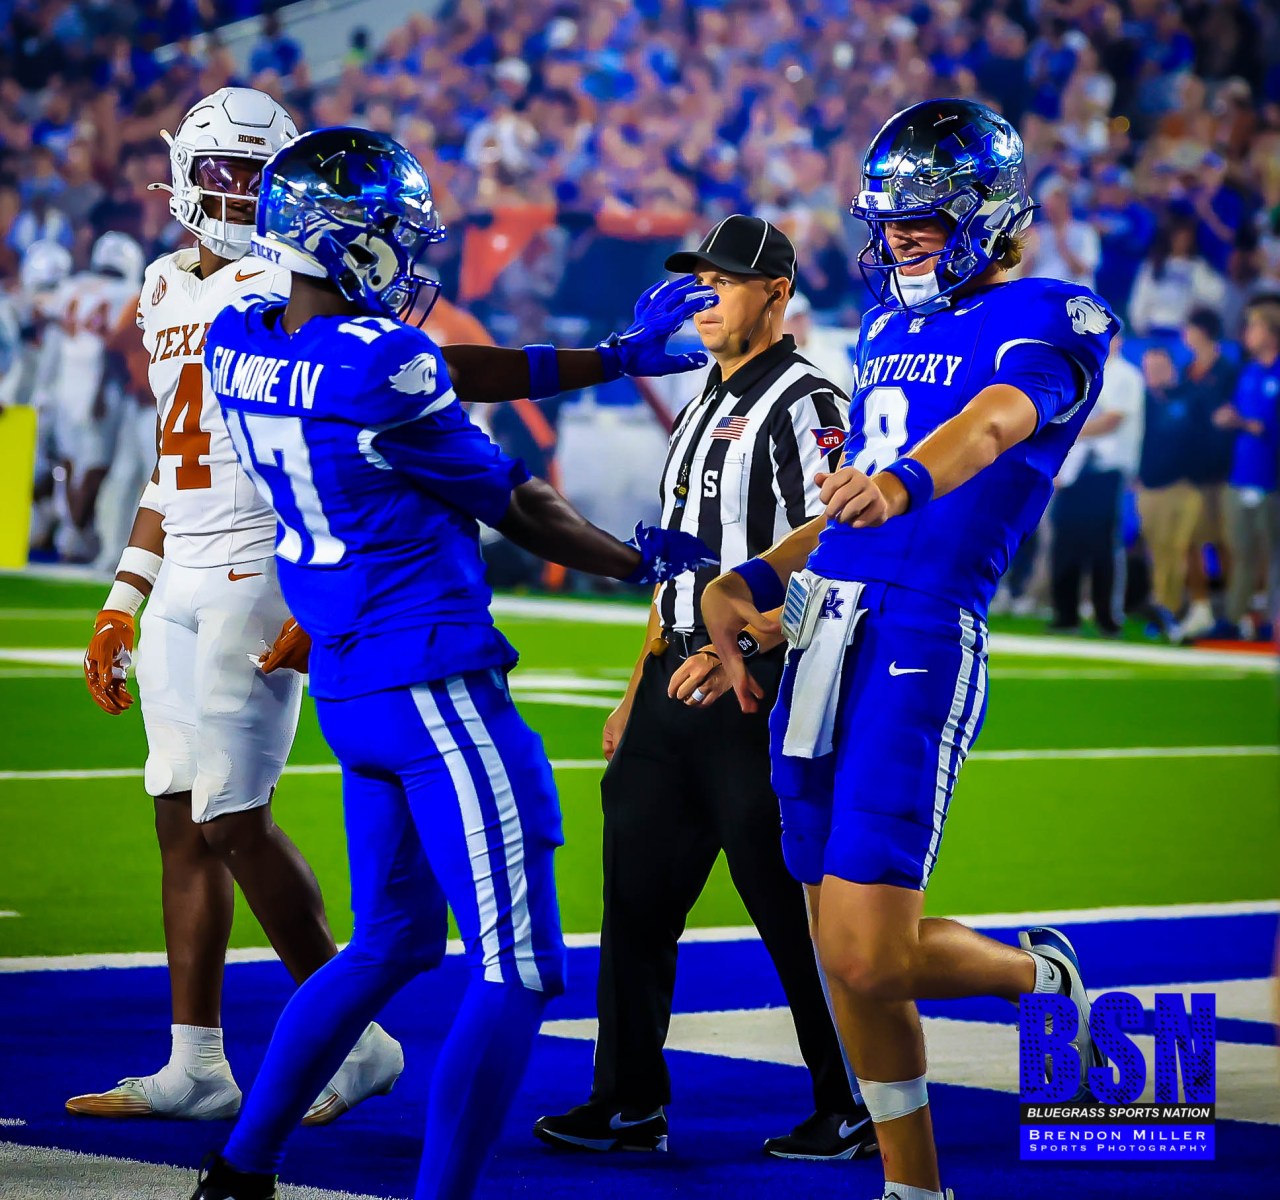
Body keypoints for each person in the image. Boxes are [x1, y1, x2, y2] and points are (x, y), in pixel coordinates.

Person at [189, 126, 717, 1200]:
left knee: (387, 943)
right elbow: (519, 501)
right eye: (393, 234)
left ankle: (239, 1172)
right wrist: (635, 562)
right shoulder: (383, 363)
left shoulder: (237, 338)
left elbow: (433, 370)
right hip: (432, 681)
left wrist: (611, 357)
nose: (409, 254)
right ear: (346, 241)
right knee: (518, 965)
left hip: (351, 683)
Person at [700, 99, 1116, 1200]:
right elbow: (851, 506)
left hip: (920, 629)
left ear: (989, 214)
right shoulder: (885, 328)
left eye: (924, 219)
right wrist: (756, 581)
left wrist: (903, 482)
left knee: (871, 951)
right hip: (824, 626)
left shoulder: (1055, 312)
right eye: (888, 220)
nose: (899, 239)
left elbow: (994, 420)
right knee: (834, 942)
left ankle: (1038, 974)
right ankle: (913, 1186)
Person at [73, 88, 409, 1127]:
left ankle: (360, 1039)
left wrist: (327, 582)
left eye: (247, 174)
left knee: (232, 817)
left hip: (261, 562)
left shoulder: (292, 281)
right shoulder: (163, 282)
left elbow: (349, 442)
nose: (225, 191)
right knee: (178, 816)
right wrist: (121, 598)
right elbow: (170, 465)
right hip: (181, 566)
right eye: (213, 170)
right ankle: (197, 1064)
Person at [534, 216, 873, 1162]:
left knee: (785, 903)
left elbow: (840, 541)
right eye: (701, 279)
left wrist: (753, 640)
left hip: (753, 685)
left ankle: (848, 1097)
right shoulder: (696, 404)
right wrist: (632, 687)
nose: (708, 294)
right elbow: (676, 568)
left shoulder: (807, 399)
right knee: (634, 900)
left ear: (778, 293)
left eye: (727, 280)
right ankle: (627, 1099)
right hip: (671, 682)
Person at [1049, 333, 1144, 634]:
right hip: (1073, 470)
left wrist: (1071, 432)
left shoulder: (1125, 375)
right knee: (1065, 542)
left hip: (1104, 468)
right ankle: (1065, 615)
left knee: (1102, 545)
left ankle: (1106, 616)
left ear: (1117, 341)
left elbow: (1113, 419)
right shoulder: (1082, 370)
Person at [1215, 298, 1280, 638]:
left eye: (1254, 326)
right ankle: (1234, 617)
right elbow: (1246, 419)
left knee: (1274, 554)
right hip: (1242, 474)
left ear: (1271, 332)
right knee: (1241, 552)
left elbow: (1264, 426)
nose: (1247, 333)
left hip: (1273, 478)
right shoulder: (1250, 371)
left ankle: (1272, 621)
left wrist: (1241, 422)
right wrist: (1232, 419)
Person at [1178, 308, 1240, 639]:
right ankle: (1200, 607)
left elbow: (1231, 418)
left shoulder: (1228, 371)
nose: (1184, 334)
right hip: (1189, 469)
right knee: (1189, 539)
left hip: (1220, 470)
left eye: (1189, 328)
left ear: (1202, 331)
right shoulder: (1188, 371)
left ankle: (1235, 609)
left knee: (1223, 541)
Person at [1135, 346, 1201, 637]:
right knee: (1158, 552)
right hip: (1149, 488)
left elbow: (1201, 439)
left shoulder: (1189, 397)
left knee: (1179, 550)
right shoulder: (1142, 402)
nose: (1152, 374)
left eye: (1158, 368)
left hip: (1182, 486)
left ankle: (1172, 610)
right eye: (1148, 369)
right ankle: (1163, 609)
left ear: (1171, 369)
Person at [1127, 215, 1226, 339]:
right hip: (1153, 329)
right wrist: (1140, 328)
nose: (1182, 242)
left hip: (1182, 331)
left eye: (1186, 238)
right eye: (1178, 237)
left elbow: (1217, 294)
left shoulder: (1197, 267)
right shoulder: (1153, 265)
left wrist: (1198, 306)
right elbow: (1139, 299)